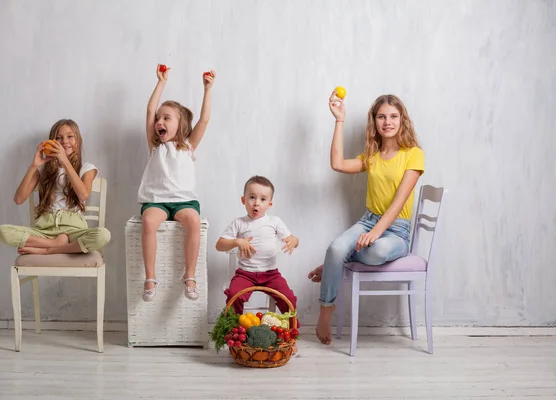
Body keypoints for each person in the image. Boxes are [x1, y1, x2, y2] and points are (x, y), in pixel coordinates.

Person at [309, 92, 425, 344]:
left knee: (374, 252)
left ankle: (336, 262)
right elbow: (337, 164)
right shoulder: (371, 156)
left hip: (397, 231)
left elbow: (399, 202)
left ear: (402, 120)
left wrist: (376, 234)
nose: (388, 122)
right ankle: (326, 308)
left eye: (393, 116)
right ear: (374, 121)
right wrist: (339, 120)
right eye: (381, 116)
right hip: (368, 221)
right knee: (335, 247)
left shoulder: (413, 154)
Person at [138, 64, 215, 301]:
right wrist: (161, 83)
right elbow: (150, 109)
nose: (159, 121)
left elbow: (204, 119)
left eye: (166, 118)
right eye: (158, 119)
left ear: (180, 125)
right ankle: (150, 277)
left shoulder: (188, 146)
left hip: (184, 201)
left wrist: (207, 89)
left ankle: (189, 276)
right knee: (149, 221)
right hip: (156, 201)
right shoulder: (155, 146)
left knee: (193, 221)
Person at [0, 119, 111, 255]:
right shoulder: (43, 169)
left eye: (70, 136)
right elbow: (19, 199)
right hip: (44, 231)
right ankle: (54, 244)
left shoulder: (87, 168)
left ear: (78, 141)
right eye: (58, 138)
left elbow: (83, 195)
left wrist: (65, 161)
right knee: (1, 232)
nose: (64, 141)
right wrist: (34, 166)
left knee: (102, 235)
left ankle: (47, 251)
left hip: (74, 231)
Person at [215, 176, 299, 316]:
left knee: (288, 298)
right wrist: (237, 241)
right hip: (245, 274)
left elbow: (293, 239)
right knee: (234, 295)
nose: (256, 203)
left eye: (263, 199)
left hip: (271, 274)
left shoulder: (274, 221)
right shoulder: (239, 223)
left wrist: (294, 241)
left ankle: (291, 329)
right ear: (243, 200)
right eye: (252, 197)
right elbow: (219, 245)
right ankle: (234, 330)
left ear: (270, 204)